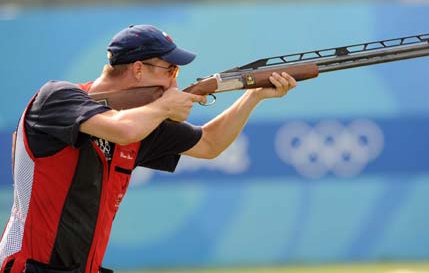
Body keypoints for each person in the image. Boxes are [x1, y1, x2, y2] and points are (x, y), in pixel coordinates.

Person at [0, 24, 297, 273]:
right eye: (170, 70)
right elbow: (122, 128)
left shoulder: (143, 123)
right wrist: (164, 106)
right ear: (139, 69)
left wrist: (253, 97)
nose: (174, 82)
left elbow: (210, 144)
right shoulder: (57, 97)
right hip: (29, 266)